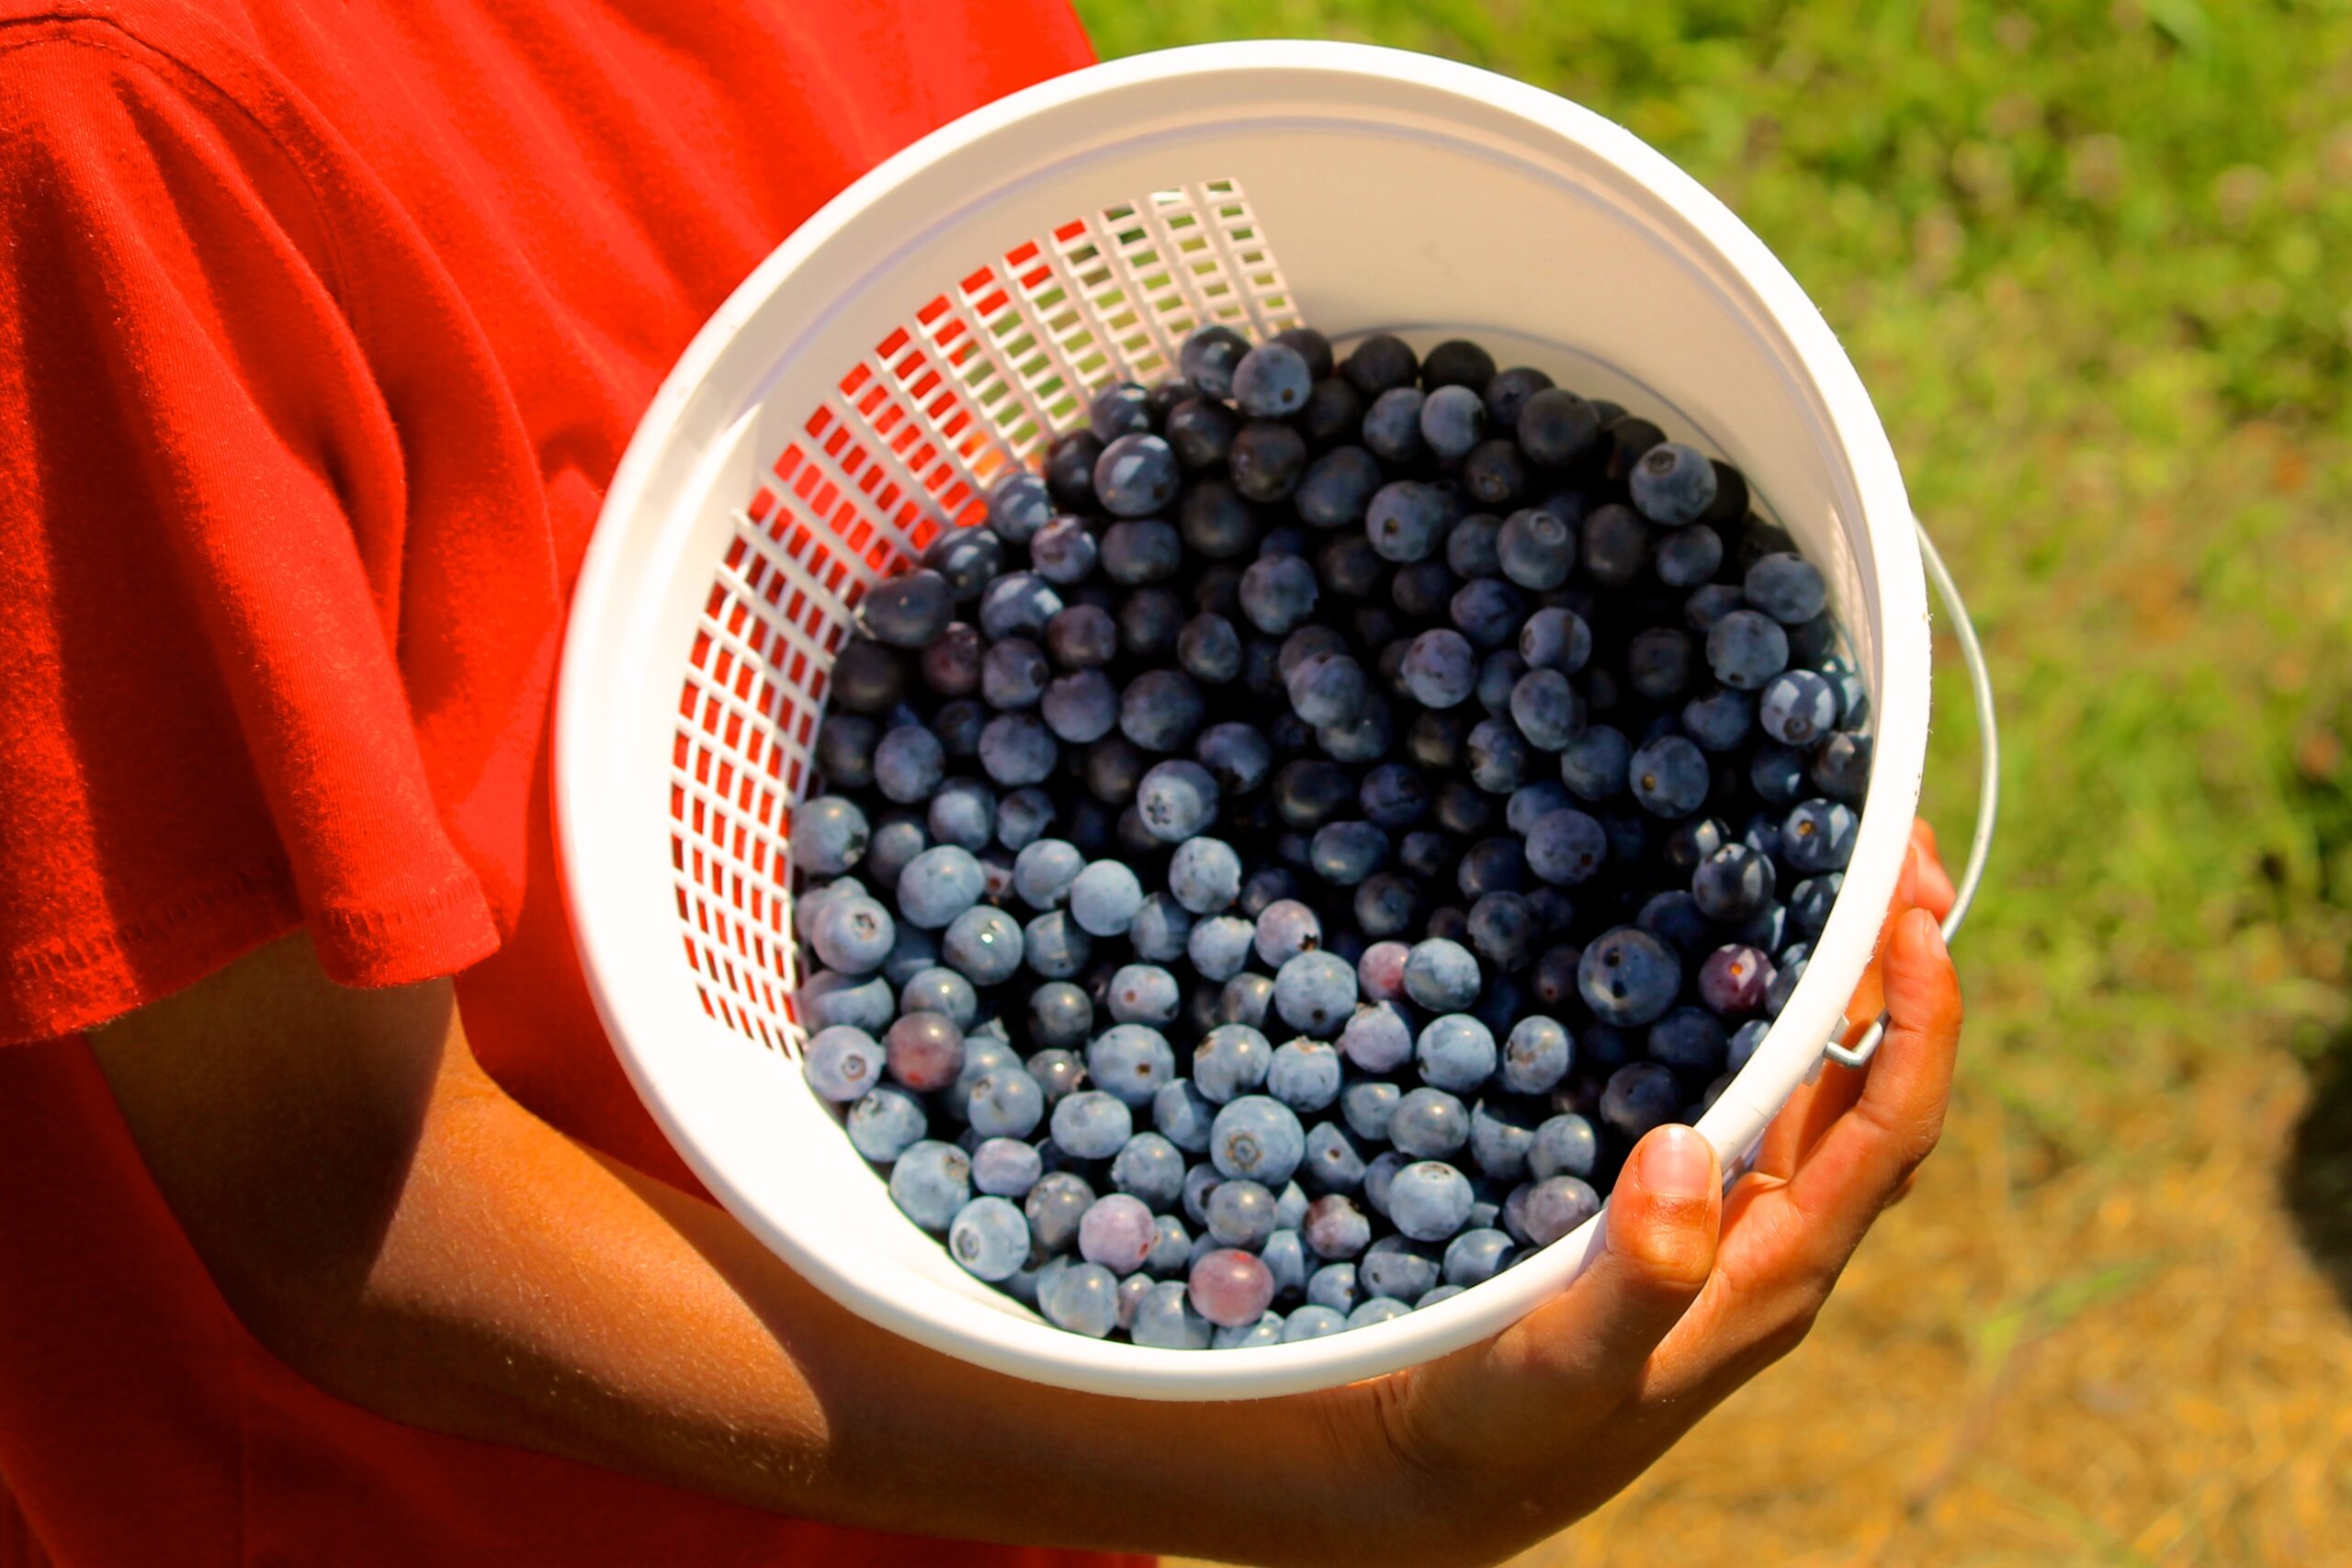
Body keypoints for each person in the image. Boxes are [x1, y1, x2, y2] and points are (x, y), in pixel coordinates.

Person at [0, 2, 1965, 1563]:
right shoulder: (82, 121)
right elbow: (349, 1196)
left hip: (1019, 1410)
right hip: (501, 1483)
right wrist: (1356, 1475)